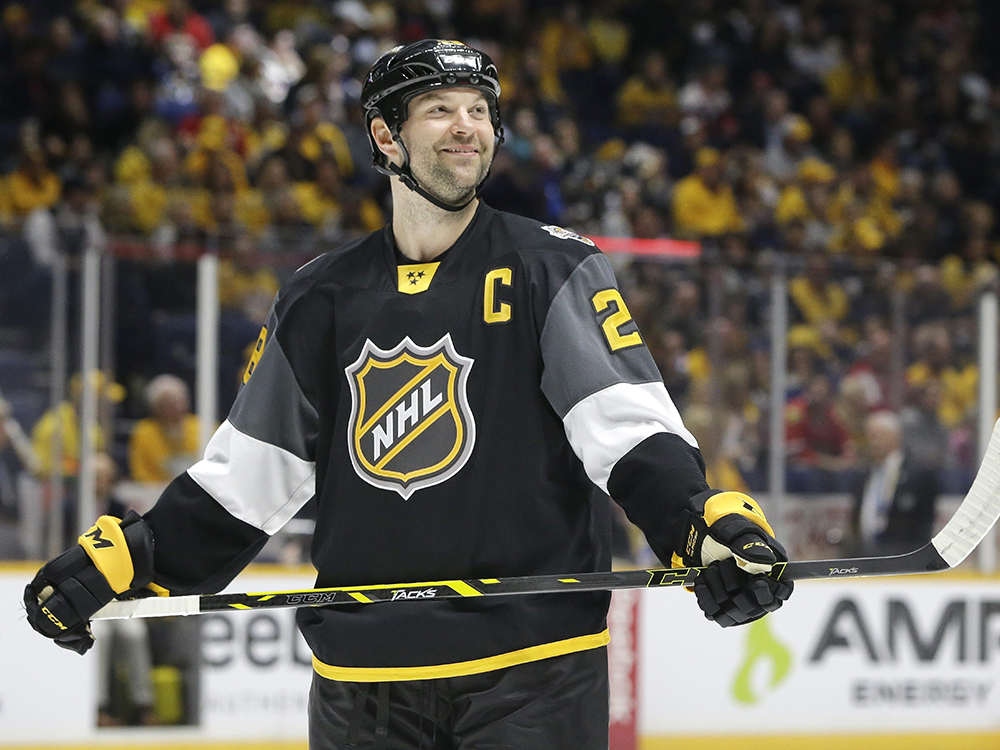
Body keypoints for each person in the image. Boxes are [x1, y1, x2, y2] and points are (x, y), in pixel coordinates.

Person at [23, 40, 792, 750]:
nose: (469, 128)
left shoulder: (550, 268)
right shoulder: (320, 295)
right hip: (364, 689)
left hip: (532, 676)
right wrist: (131, 557)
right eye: (440, 110)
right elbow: (246, 482)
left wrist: (699, 526)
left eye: (480, 111)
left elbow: (627, 433)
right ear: (387, 139)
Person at [847, 410, 939, 556]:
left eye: (876, 436)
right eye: (869, 437)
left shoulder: (918, 475)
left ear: (895, 436)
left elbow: (924, 522)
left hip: (902, 560)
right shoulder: (863, 474)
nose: (872, 442)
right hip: (865, 559)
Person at [128, 374, 200, 484]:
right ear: (155, 408)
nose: (175, 409)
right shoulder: (144, 432)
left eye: (178, 402)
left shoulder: (203, 427)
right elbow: (141, 474)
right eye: (167, 404)